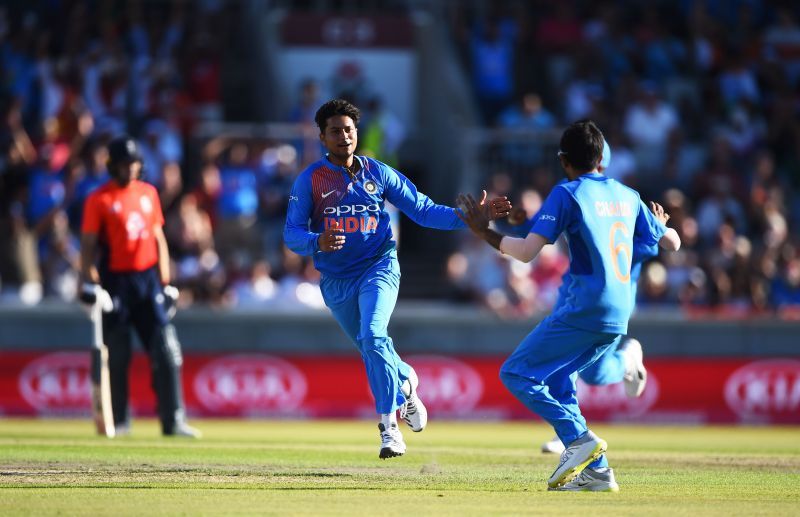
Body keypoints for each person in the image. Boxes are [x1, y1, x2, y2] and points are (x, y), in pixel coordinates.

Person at [456, 120, 680, 491]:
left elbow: (527, 252)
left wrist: (484, 232)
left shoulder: (567, 192)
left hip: (584, 307)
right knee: (561, 378)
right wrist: (661, 225)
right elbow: (670, 243)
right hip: (620, 312)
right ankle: (599, 473)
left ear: (564, 160)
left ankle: (579, 438)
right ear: (600, 157)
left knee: (516, 373)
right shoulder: (627, 194)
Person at [283, 99, 510, 459]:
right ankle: (406, 381)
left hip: (379, 266)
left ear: (356, 133)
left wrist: (467, 217)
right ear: (323, 138)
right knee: (372, 349)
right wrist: (317, 241)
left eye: (348, 130)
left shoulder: (379, 173)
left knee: (374, 336)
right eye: (335, 131)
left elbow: (422, 210)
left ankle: (389, 429)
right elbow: (291, 234)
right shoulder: (310, 179)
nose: (343, 136)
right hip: (336, 280)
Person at [498, 140, 656, 455]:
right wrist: (523, 222)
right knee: (571, 369)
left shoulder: (589, 192)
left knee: (591, 374)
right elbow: (546, 225)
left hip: (606, 291)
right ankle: (572, 435)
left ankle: (620, 368)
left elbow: (646, 245)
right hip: (578, 286)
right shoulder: (616, 194)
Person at [78, 135, 200, 438]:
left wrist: (167, 282)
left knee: (167, 350)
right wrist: (92, 283)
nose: (130, 170)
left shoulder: (149, 194)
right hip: (115, 281)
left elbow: (158, 239)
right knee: (117, 355)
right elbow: (88, 248)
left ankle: (173, 420)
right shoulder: (99, 199)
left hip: (147, 281)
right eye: (124, 164)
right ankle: (119, 420)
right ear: (111, 166)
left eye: (134, 164)